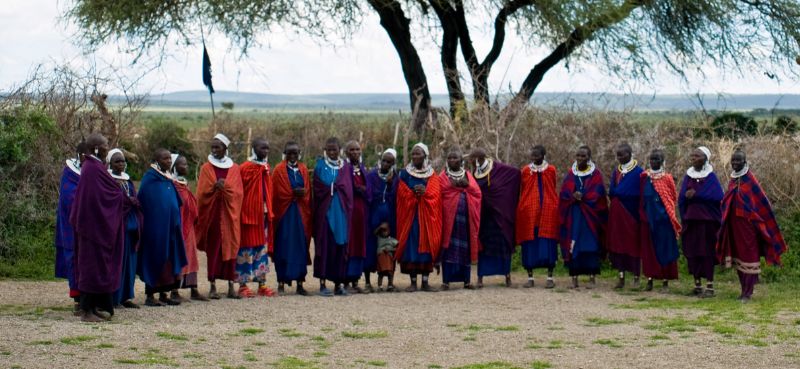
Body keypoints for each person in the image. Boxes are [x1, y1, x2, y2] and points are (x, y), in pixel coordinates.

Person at [69, 133, 131, 322]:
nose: (107, 147)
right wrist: (118, 194)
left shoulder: (96, 166)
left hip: (97, 227)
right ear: (96, 148)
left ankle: (94, 307)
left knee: (98, 267)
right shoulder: (91, 168)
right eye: (105, 145)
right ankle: (86, 311)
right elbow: (96, 198)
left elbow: (106, 191)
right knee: (90, 268)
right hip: (92, 228)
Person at [717, 150, 787, 301]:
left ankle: (748, 292)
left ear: (745, 161)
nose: (735, 163)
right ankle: (743, 289)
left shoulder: (750, 180)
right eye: (733, 161)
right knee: (738, 258)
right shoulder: (733, 180)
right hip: (734, 227)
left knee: (749, 257)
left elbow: (762, 203)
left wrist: (752, 219)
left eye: (738, 161)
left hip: (748, 228)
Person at [137, 148, 188, 306]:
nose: (168, 161)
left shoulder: (166, 178)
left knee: (169, 260)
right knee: (155, 257)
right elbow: (146, 203)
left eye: (169, 159)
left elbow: (175, 201)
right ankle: (151, 295)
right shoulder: (149, 179)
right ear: (156, 160)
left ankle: (164, 293)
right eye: (164, 159)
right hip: (155, 229)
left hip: (171, 228)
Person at [196, 134, 244, 299]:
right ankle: (213, 285)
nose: (214, 150)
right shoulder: (206, 169)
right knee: (213, 249)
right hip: (213, 215)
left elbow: (238, 193)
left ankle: (231, 285)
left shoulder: (235, 169)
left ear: (225, 149)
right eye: (213, 147)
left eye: (218, 147)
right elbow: (201, 193)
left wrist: (226, 189)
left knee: (231, 248)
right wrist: (214, 188)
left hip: (230, 216)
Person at [558, 145, 608, 289]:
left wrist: (584, 196)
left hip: (590, 216)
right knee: (574, 245)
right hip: (574, 214)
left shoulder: (595, 174)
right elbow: (564, 192)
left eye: (583, 156)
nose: (580, 158)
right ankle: (574, 278)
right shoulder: (571, 173)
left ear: (589, 157)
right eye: (578, 156)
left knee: (590, 244)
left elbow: (599, 193)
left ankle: (592, 277)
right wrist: (573, 196)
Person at [395, 143, 442, 292]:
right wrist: (412, 194)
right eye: (413, 154)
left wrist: (425, 193)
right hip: (410, 218)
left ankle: (426, 282)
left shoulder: (432, 175)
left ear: (425, 156)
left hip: (427, 219)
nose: (415, 157)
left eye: (418, 154)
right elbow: (400, 193)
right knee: (411, 247)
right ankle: (413, 281)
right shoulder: (404, 173)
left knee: (427, 246)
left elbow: (436, 195)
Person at [471, 148, 520, 288]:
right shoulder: (474, 172)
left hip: (500, 215)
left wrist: (504, 200)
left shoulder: (497, 168)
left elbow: (515, 174)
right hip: (484, 217)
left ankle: (507, 276)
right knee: (484, 247)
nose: (471, 163)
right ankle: (480, 278)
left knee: (503, 245)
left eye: (473, 160)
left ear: (479, 159)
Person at [678, 146, 723, 298]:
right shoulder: (688, 176)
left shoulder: (711, 177)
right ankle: (697, 285)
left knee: (707, 253)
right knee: (692, 252)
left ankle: (709, 286)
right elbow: (682, 197)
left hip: (707, 223)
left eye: (697, 156)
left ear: (705, 158)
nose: (693, 158)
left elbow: (717, 196)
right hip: (691, 222)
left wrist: (697, 195)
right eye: (692, 156)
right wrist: (684, 214)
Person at [312, 137, 354, 296]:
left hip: (342, 213)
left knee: (341, 247)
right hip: (326, 213)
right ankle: (322, 284)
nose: (331, 152)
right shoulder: (320, 166)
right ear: (325, 150)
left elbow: (348, 189)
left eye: (334, 149)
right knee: (324, 246)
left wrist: (338, 188)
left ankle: (339, 284)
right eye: (329, 149)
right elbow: (317, 187)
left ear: (340, 150)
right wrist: (330, 187)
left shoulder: (346, 168)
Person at [515, 145, 559, 289]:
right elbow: (524, 190)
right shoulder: (526, 171)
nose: (534, 158)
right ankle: (530, 277)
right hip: (530, 211)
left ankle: (550, 277)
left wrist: (552, 205)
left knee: (548, 242)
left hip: (548, 209)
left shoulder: (551, 170)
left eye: (537, 156)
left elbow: (552, 188)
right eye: (532, 156)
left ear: (543, 155)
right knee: (529, 243)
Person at [272, 141, 312, 295]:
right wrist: (291, 194)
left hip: (301, 214)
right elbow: (276, 193)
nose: (293, 156)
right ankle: (281, 282)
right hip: (284, 215)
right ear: (285, 153)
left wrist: (303, 193)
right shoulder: (279, 170)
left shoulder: (303, 169)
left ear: (299, 153)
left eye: (295, 153)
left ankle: (300, 284)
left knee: (301, 246)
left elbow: (308, 191)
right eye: (289, 153)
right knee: (283, 246)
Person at [237, 138, 276, 298]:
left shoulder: (266, 167)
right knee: (245, 249)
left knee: (261, 250)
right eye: (262, 148)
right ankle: (243, 285)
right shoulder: (244, 168)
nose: (265, 151)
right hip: (248, 215)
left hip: (264, 215)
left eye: (267, 148)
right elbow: (239, 192)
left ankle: (262, 284)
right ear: (254, 148)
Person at [439, 149, 481, 290]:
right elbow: (440, 194)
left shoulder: (468, 176)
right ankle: (446, 281)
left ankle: (467, 281)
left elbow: (477, 193)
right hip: (448, 221)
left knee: (465, 249)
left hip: (465, 221)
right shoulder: (443, 177)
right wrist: (454, 186)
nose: (452, 160)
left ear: (461, 160)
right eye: (449, 158)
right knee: (448, 248)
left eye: (455, 157)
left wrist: (466, 185)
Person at [639, 149, 680, 292]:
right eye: (652, 159)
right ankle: (649, 280)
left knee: (665, 250)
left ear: (662, 161)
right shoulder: (644, 177)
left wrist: (666, 214)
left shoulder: (667, 178)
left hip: (664, 220)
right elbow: (641, 198)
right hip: (648, 220)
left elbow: (672, 198)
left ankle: (665, 282)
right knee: (649, 251)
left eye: (657, 159)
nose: (653, 162)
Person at [107, 148, 143, 309]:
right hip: (116, 227)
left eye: (122, 161)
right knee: (118, 263)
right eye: (117, 161)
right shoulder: (108, 180)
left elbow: (134, 199)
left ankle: (126, 296)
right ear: (110, 163)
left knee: (130, 263)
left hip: (130, 228)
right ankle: (114, 297)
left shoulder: (127, 181)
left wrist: (133, 202)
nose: (121, 164)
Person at [55, 142, 88, 313]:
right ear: (82, 155)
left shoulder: (90, 172)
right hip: (71, 226)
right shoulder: (70, 174)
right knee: (75, 260)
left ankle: (89, 298)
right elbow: (69, 198)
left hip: (88, 227)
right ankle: (78, 300)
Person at [170, 154, 207, 302]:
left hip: (189, 226)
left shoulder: (183, 184)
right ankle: (174, 290)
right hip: (179, 228)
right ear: (174, 167)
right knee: (179, 256)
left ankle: (193, 288)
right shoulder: (173, 185)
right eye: (182, 164)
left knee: (192, 257)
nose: (186, 167)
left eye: (186, 164)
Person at [607, 143, 644, 289]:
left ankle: (636, 277)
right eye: (618, 155)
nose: (620, 157)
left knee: (633, 245)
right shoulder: (617, 172)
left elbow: (639, 193)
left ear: (630, 154)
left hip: (631, 214)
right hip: (617, 214)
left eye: (622, 154)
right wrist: (617, 195)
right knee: (618, 245)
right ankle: (621, 277)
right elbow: (611, 191)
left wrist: (621, 193)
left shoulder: (638, 172)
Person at [365, 149, 398, 292]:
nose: (385, 163)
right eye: (384, 160)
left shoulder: (396, 177)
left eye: (389, 162)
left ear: (393, 163)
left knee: (390, 249)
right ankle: (367, 282)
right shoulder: (372, 175)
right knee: (370, 247)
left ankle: (390, 281)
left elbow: (396, 198)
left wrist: (391, 184)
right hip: (373, 216)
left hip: (390, 217)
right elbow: (368, 194)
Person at [344, 140, 372, 293]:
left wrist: (364, 189)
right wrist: (354, 189)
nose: (355, 152)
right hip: (349, 213)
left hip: (361, 213)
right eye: (352, 150)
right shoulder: (344, 168)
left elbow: (369, 190)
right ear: (346, 152)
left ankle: (355, 280)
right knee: (350, 245)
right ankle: (346, 281)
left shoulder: (362, 168)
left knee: (360, 245)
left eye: (357, 150)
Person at [375, 223, 398, 292]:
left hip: (389, 259)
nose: (384, 232)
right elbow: (375, 232)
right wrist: (380, 227)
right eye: (382, 231)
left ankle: (390, 285)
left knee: (390, 273)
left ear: (389, 231)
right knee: (380, 273)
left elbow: (397, 248)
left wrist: (390, 249)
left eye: (386, 230)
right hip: (381, 258)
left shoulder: (392, 240)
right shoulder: (379, 238)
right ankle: (380, 286)